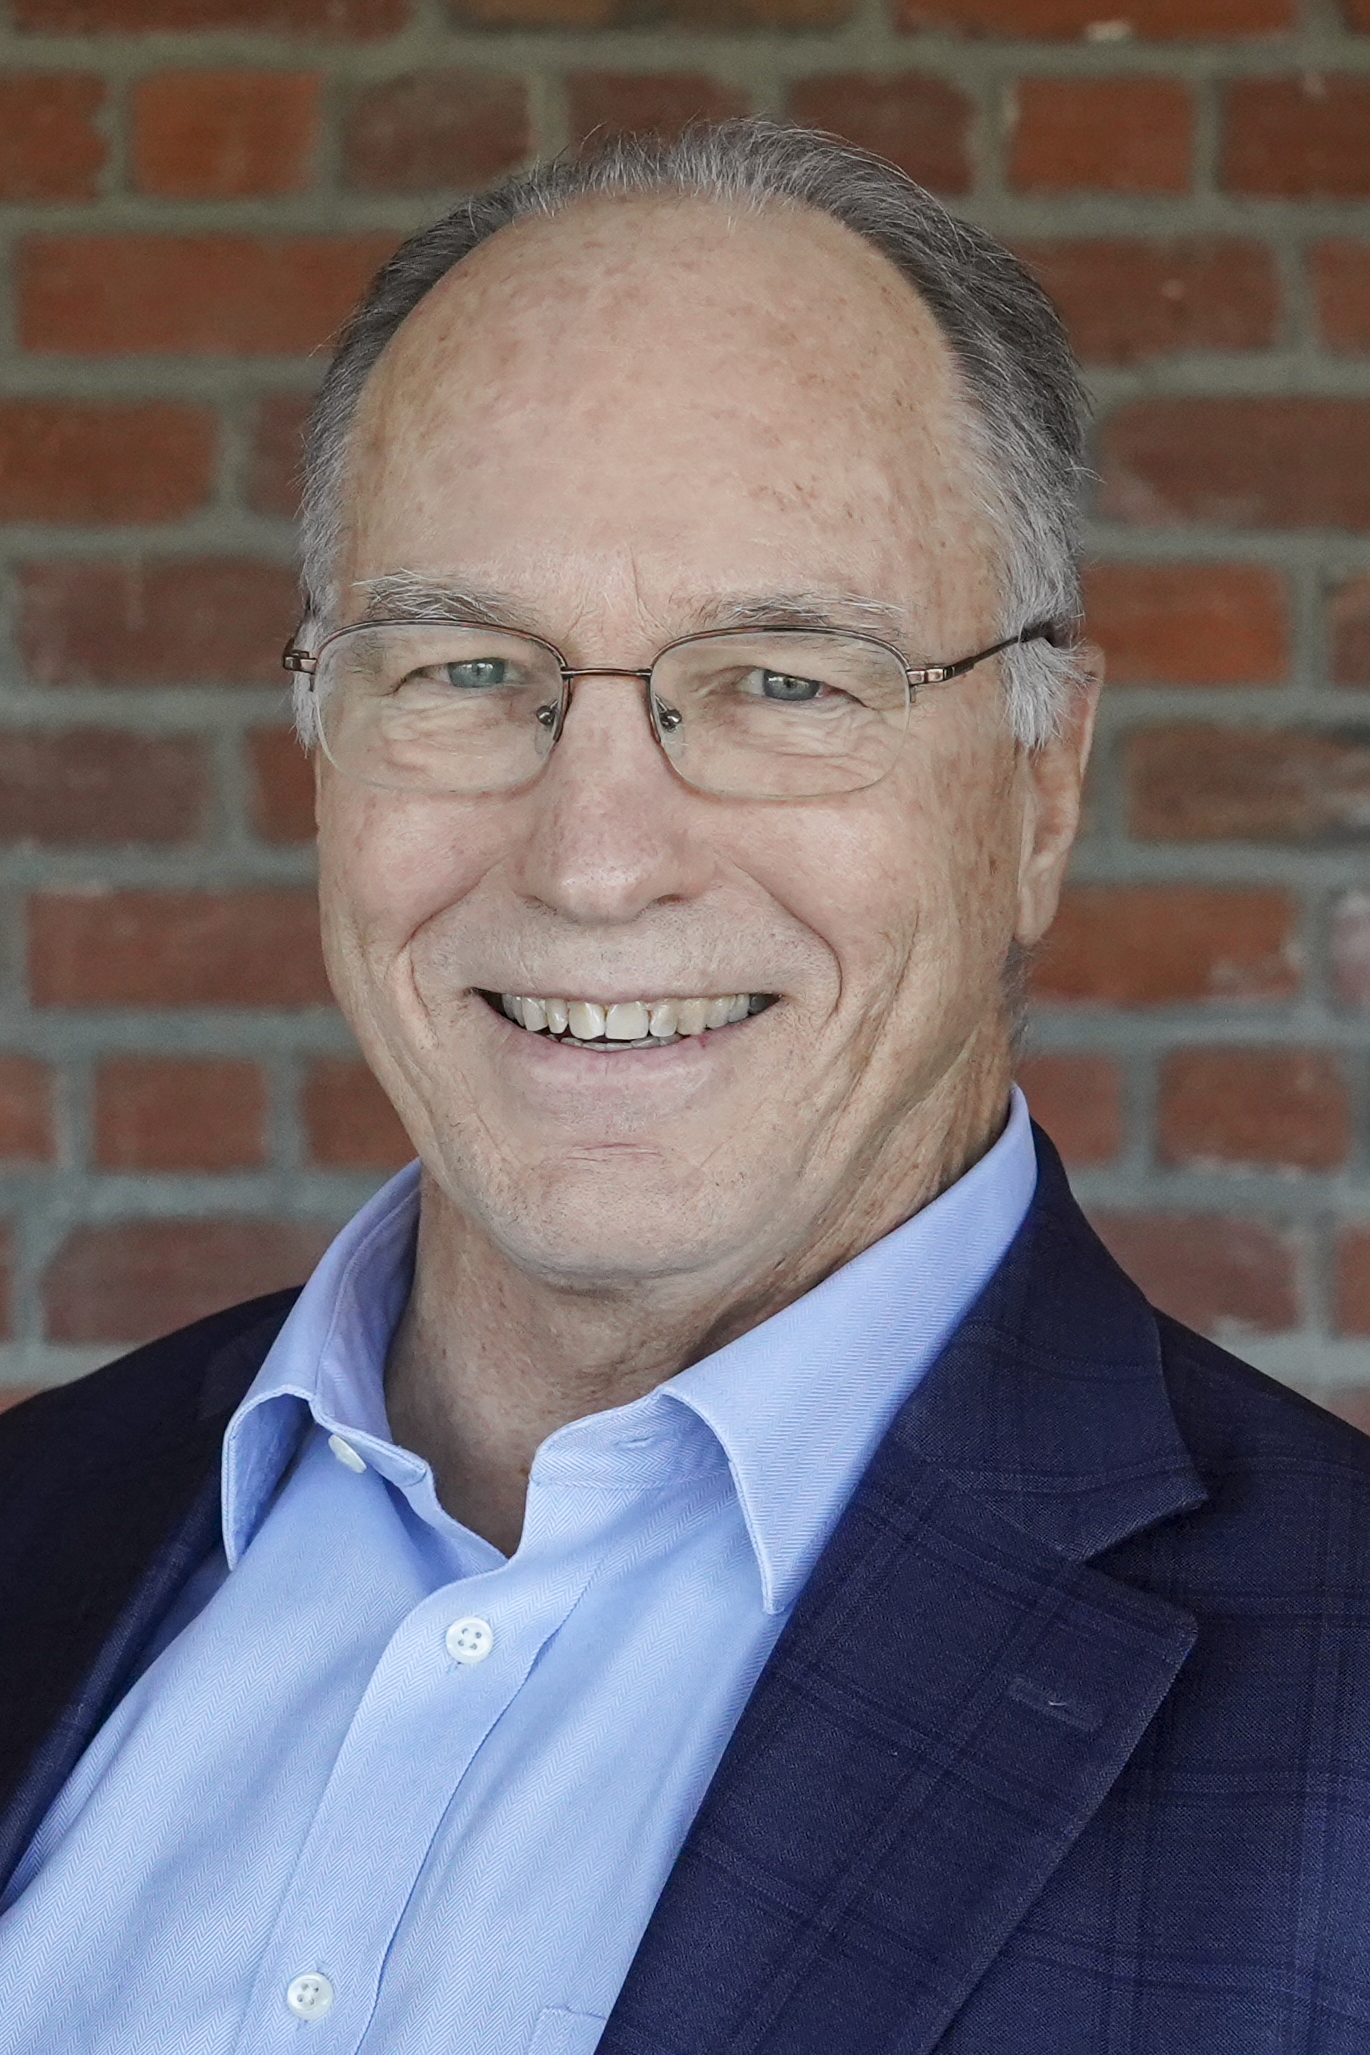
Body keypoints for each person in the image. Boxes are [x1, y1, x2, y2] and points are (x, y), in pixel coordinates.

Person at [1, 120, 1367, 2054]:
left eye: (782, 681)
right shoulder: (39, 1521)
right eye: (467, 668)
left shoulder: (1339, 1715)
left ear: (1037, 794)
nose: (594, 857)